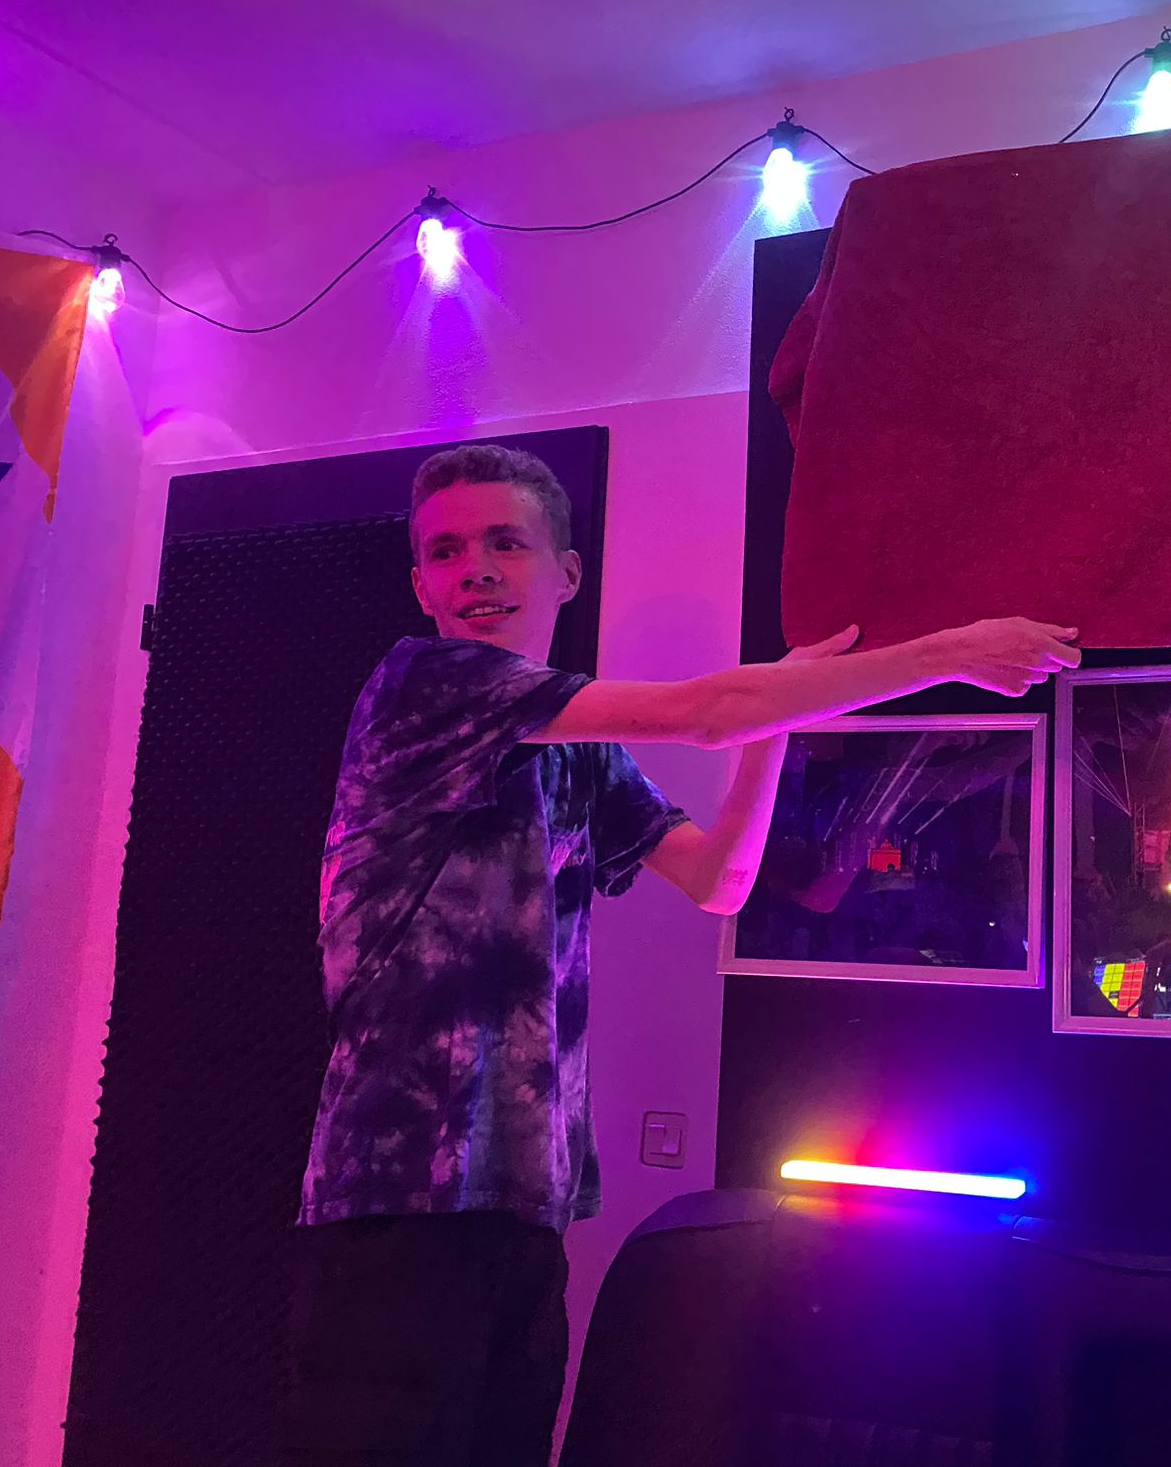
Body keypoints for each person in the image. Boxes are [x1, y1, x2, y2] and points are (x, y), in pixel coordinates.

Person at [289, 445, 1079, 1465]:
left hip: (524, 1203)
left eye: (505, 543)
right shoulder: (423, 683)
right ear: (420, 585)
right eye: (446, 552)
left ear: (565, 572)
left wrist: (781, 719)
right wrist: (950, 652)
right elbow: (706, 713)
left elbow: (719, 880)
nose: (474, 568)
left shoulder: (577, 748)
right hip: (396, 1201)